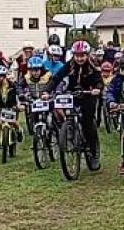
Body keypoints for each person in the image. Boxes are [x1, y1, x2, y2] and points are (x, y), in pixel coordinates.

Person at [43, 41, 103, 170]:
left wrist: (97, 89)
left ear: (87, 55)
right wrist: (47, 91)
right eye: (77, 55)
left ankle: (93, 153)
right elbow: (57, 78)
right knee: (65, 113)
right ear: (73, 55)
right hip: (73, 93)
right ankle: (68, 130)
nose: (80, 58)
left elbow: (99, 80)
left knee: (87, 121)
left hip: (88, 94)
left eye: (82, 56)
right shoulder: (69, 65)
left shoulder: (92, 65)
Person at [0, 65, 22, 144]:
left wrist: (20, 104)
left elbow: (19, 92)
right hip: (1, 107)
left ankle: (19, 130)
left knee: (13, 121)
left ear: (1, 77)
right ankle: (1, 139)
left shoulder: (12, 85)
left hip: (12, 106)